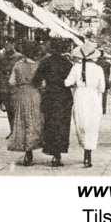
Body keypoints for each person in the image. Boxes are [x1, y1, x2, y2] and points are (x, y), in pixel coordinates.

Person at [33, 38, 74, 167]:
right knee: (62, 125)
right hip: (64, 97)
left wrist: (44, 87)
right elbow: (71, 82)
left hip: (50, 96)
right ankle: (58, 155)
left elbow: (36, 80)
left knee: (50, 125)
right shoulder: (67, 63)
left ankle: (52, 150)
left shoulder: (45, 62)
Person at [66, 42, 106, 168]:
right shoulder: (98, 69)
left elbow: (67, 83)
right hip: (93, 97)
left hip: (80, 96)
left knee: (81, 124)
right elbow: (103, 88)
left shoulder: (76, 68)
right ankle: (88, 154)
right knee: (92, 125)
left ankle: (84, 147)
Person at [7, 40, 44, 166]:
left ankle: (27, 153)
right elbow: (43, 84)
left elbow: (11, 82)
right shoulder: (38, 65)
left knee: (22, 121)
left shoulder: (18, 65)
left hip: (21, 94)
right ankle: (31, 146)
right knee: (33, 121)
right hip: (34, 93)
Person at [0, 39, 23, 137]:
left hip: (16, 84)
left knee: (16, 108)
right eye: (5, 44)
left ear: (14, 44)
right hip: (4, 83)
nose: (7, 46)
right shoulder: (1, 57)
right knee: (9, 108)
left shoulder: (19, 56)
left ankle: (18, 131)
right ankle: (13, 131)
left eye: (9, 44)